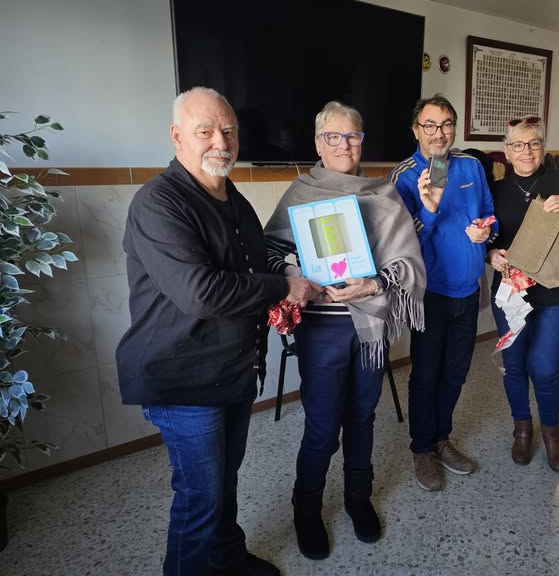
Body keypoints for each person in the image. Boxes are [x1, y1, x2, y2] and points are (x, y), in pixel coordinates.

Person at [115, 86, 322, 576]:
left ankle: (228, 559)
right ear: (176, 136)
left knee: (223, 483)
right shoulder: (158, 202)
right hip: (183, 377)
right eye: (204, 131)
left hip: (231, 371)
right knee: (199, 499)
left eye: (227, 131)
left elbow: (251, 269)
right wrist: (284, 285)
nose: (219, 142)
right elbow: (202, 293)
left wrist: (287, 288)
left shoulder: (235, 200)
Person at [263, 101, 425, 560]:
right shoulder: (300, 191)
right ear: (318, 143)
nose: (344, 145)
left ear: (362, 141)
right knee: (321, 425)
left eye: (352, 136)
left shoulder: (383, 192)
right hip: (322, 330)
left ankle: (358, 499)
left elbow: (408, 261)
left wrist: (374, 282)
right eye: (334, 136)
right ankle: (306, 509)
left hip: (370, 326)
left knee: (362, 416)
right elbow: (270, 252)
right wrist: (298, 272)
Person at [389, 94, 498, 491]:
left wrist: (488, 229)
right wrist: (430, 210)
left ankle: (441, 439)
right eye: (430, 125)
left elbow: (489, 211)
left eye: (447, 124)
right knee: (426, 374)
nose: (440, 133)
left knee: (456, 372)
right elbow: (397, 243)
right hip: (428, 294)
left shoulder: (470, 165)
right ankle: (421, 449)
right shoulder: (403, 176)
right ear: (416, 129)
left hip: (468, 292)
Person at [486, 116, 559, 471]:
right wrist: (490, 254)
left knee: (545, 367)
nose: (526, 151)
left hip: (556, 291)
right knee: (515, 365)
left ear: (543, 147)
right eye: (518, 145)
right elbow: (485, 235)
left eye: (533, 143)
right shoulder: (496, 191)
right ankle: (522, 429)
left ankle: (552, 433)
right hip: (510, 292)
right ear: (507, 152)